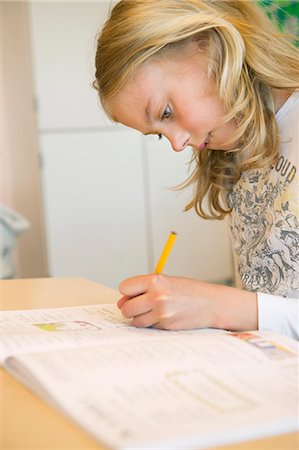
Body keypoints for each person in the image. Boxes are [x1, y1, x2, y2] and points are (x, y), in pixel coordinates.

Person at [94, 0, 299, 339]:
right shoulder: (236, 145)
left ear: (207, 45)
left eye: (166, 111)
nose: (177, 143)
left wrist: (217, 305)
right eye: (160, 135)